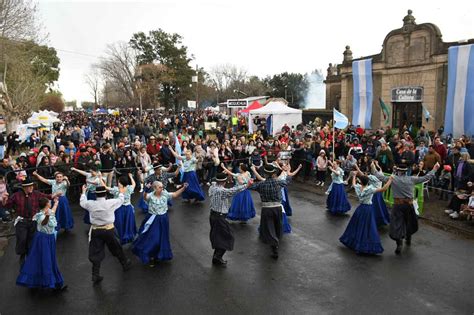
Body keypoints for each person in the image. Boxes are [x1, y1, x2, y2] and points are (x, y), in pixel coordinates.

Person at [374, 162, 440, 254]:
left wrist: (373, 168)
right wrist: (435, 169)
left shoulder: (393, 179)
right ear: (406, 172)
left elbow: (380, 177)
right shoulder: (412, 179)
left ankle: (399, 243)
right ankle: (408, 238)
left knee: (397, 224)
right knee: (409, 222)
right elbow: (426, 177)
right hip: (409, 205)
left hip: (397, 205)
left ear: (398, 171)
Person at [79, 185, 132, 284]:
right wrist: (121, 192)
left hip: (96, 230)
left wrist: (83, 192)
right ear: (105, 194)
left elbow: (82, 202)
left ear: (95, 195)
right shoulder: (110, 202)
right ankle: (125, 264)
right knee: (116, 247)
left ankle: (95, 274)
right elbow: (121, 200)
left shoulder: (91, 204)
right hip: (109, 230)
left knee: (95, 252)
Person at [2, 179, 59, 266]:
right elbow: (7, 205)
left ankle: (30, 256)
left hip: (33, 220)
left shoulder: (36, 193)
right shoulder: (16, 195)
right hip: (22, 221)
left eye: (32, 186)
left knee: (32, 239)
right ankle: (22, 254)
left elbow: (48, 196)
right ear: (24, 187)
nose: (32, 187)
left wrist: (56, 194)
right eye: (29, 186)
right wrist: (4, 199)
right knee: (22, 239)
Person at [16, 197, 67, 291]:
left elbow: (53, 211)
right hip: (43, 240)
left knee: (50, 260)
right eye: (49, 202)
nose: (50, 202)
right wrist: (47, 216)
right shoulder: (40, 216)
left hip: (49, 239)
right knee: (46, 261)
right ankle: (51, 283)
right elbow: (43, 223)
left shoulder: (49, 211)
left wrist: (56, 202)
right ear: (47, 204)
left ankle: (53, 282)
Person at [132, 181, 188, 267]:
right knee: (154, 239)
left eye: (162, 187)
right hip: (153, 219)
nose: (162, 188)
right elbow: (145, 197)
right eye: (160, 187)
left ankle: (158, 255)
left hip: (163, 219)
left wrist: (183, 188)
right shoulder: (150, 195)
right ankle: (150, 256)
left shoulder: (165, 194)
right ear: (154, 188)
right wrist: (146, 190)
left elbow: (175, 194)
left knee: (162, 238)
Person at [339, 173, 393, 255]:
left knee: (357, 226)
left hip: (360, 209)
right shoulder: (370, 189)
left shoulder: (357, 187)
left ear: (360, 182)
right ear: (368, 182)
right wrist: (390, 180)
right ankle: (363, 244)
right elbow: (384, 189)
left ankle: (354, 242)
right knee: (368, 227)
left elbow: (353, 184)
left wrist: (354, 176)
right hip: (368, 209)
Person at [248, 164, 293, 259]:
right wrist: (288, 172)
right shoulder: (279, 182)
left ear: (265, 174)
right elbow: (288, 181)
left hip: (266, 209)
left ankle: (274, 245)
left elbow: (250, 187)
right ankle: (275, 243)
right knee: (277, 227)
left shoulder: (261, 184)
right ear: (273, 174)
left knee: (269, 228)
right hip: (277, 208)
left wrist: (249, 183)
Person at [208, 173, 252, 266]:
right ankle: (217, 257)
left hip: (213, 216)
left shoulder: (212, 187)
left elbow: (214, 183)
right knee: (227, 237)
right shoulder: (222, 191)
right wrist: (246, 185)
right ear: (224, 182)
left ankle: (216, 257)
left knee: (218, 237)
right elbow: (234, 190)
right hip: (219, 217)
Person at [101, 173, 137, 245]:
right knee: (127, 222)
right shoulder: (129, 188)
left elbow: (105, 187)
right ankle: (127, 236)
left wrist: (99, 178)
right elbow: (134, 184)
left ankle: (121, 237)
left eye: (119, 182)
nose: (118, 183)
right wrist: (130, 177)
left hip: (120, 209)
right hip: (128, 208)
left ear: (121, 183)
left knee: (119, 223)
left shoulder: (116, 190)